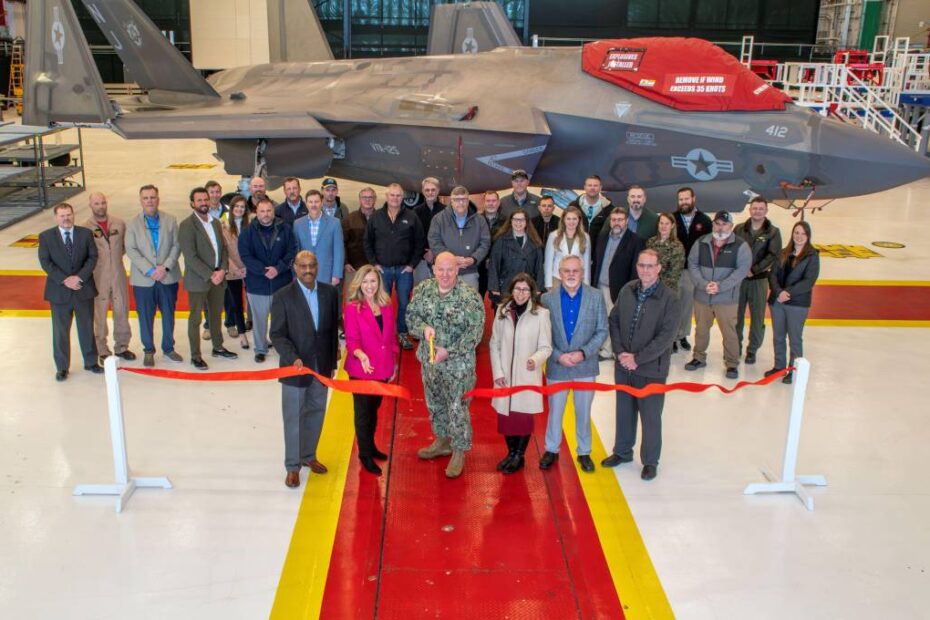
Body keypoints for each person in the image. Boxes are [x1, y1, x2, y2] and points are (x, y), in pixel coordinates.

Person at [405, 252, 485, 479]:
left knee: (457, 408)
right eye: (441, 269)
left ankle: (459, 450)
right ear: (433, 269)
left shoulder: (470, 297)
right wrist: (423, 329)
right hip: (430, 363)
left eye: (450, 269)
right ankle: (442, 441)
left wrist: (448, 351)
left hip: (458, 366)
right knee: (435, 403)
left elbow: (475, 333)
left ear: (458, 270)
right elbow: (411, 319)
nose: (445, 274)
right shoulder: (423, 290)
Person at [603, 249, 680, 481]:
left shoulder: (670, 299)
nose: (645, 270)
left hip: (651, 369)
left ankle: (650, 461)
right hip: (624, 365)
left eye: (650, 266)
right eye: (642, 265)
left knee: (651, 416)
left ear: (658, 268)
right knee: (624, 412)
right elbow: (614, 321)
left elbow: (666, 337)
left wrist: (637, 358)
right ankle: (623, 452)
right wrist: (620, 352)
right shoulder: (627, 290)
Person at [270, 251, 341, 488]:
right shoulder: (283, 296)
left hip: (321, 367)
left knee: (317, 411)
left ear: (317, 266)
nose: (308, 270)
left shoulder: (330, 293)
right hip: (295, 369)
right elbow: (277, 334)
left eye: (312, 265)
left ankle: (308, 455)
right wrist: (293, 358)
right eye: (303, 266)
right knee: (293, 417)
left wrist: (331, 363)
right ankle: (292, 466)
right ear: (295, 267)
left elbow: (331, 330)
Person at [539, 255, 608, 473]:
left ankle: (584, 451)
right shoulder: (547, 299)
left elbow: (602, 330)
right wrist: (558, 355)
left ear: (582, 272)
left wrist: (583, 353)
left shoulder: (596, 296)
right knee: (555, 411)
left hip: (585, 365)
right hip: (558, 364)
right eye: (566, 271)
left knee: (583, 410)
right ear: (559, 273)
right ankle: (551, 449)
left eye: (575, 271)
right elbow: (544, 334)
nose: (570, 275)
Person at [489, 274, 552, 474]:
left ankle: (519, 456)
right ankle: (511, 453)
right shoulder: (502, 311)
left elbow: (546, 346)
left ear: (532, 292)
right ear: (512, 290)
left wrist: (535, 359)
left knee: (523, 417)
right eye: (517, 289)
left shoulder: (541, 314)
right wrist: (497, 371)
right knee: (506, 417)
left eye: (525, 290)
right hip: (504, 377)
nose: (521, 293)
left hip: (526, 376)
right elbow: (494, 344)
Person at [344, 265, 399, 475]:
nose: (369, 286)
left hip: (382, 367)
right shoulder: (353, 308)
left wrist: (392, 362)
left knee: (374, 410)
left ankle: (371, 446)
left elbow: (391, 336)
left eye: (373, 281)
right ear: (359, 283)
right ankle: (364, 454)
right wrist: (361, 355)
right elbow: (352, 340)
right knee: (363, 413)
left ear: (379, 283)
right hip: (361, 369)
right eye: (365, 281)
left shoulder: (385, 305)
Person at [38, 203, 102, 380]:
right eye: (62, 215)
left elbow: (92, 257)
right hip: (59, 292)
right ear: (56, 218)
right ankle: (62, 367)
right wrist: (65, 280)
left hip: (83, 289)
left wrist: (78, 278)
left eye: (69, 215)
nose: (66, 218)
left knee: (86, 328)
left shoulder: (85, 234)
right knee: (60, 331)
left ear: (73, 215)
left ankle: (91, 362)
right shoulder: (46, 237)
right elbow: (45, 262)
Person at [684, 211, 751, 379]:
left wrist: (720, 286)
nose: (721, 227)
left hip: (727, 299)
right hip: (702, 296)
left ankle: (732, 364)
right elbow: (692, 264)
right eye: (718, 224)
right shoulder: (701, 242)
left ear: (731, 226)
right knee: (701, 329)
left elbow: (741, 271)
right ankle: (698, 357)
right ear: (713, 224)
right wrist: (703, 284)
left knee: (729, 332)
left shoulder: (740, 246)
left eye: (725, 224)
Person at [179, 186, 238, 370]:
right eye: (199, 200)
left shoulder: (214, 222)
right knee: (195, 319)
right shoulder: (187, 225)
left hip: (218, 278)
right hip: (199, 280)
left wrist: (222, 270)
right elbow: (190, 256)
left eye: (205, 199)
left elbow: (223, 249)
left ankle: (218, 347)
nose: (204, 203)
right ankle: (196, 356)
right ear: (192, 204)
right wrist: (210, 274)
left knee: (215, 315)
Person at [124, 185, 183, 368]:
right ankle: (148, 350)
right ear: (140, 201)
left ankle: (168, 348)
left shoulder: (171, 220)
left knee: (168, 314)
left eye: (152, 197)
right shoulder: (132, 224)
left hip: (167, 277)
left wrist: (164, 268)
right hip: (144, 280)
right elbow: (131, 250)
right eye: (146, 198)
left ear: (158, 199)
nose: (149, 201)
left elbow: (177, 245)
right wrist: (151, 271)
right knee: (145, 316)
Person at [364, 183, 426, 350]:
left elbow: (420, 242)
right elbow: (367, 242)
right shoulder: (376, 217)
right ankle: (381, 333)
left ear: (402, 197)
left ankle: (402, 333)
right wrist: (374, 263)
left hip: (403, 270)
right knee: (381, 303)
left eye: (398, 195)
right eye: (392, 195)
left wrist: (412, 265)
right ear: (386, 196)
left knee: (404, 302)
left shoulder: (412, 217)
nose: (395, 198)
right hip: (382, 269)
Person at [239, 197, 297, 363]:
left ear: (274, 212)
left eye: (269, 211)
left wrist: (278, 268)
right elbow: (246, 256)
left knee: (281, 319)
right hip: (257, 284)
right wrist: (263, 270)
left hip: (281, 283)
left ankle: (282, 347)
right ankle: (260, 348)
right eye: (262, 211)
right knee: (259, 320)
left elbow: (292, 251)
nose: (266, 214)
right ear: (256, 213)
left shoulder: (285, 229)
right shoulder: (247, 232)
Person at [83, 192, 135, 363]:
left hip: (118, 274)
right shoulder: (85, 228)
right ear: (90, 205)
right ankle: (102, 349)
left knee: (121, 310)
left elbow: (124, 247)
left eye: (103, 202)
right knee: (100, 314)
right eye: (97, 203)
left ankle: (122, 347)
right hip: (98, 276)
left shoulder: (119, 224)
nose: (101, 206)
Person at [765, 221, 820, 384]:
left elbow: (808, 281)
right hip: (778, 302)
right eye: (796, 232)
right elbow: (772, 275)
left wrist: (787, 293)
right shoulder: (783, 253)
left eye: (803, 233)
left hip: (797, 304)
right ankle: (779, 366)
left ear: (808, 236)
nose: (799, 236)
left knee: (795, 338)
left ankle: (793, 370)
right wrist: (778, 292)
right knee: (778, 336)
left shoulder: (812, 256)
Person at [734, 197, 782, 365]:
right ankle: (735, 347)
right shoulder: (739, 229)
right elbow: (732, 250)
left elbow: (773, 255)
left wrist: (753, 270)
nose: (757, 211)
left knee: (757, 317)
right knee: (736, 316)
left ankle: (752, 350)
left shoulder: (773, 232)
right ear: (750, 210)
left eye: (761, 209)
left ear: (766, 211)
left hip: (759, 281)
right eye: (754, 208)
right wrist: (741, 270)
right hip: (739, 281)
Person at [592, 206, 644, 359]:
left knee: (615, 321)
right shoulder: (602, 238)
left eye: (620, 220)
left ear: (626, 221)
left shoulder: (636, 241)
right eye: (614, 219)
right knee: (602, 319)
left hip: (619, 289)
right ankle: (606, 348)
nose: (616, 223)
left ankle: (610, 351)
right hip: (600, 286)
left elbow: (636, 269)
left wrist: (632, 290)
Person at [427, 185, 490, 291]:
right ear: (451, 201)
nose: (461, 203)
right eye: (457, 200)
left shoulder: (480, 220)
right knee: (445, 305)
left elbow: (485, 242)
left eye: (464, 199)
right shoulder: (438, 219)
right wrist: (450, 258)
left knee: (470, 306)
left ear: (468, 200)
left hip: (470, 272)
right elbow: (434, 241)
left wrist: (474, 258)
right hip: (446, 273)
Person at [673, 187, 712, 352]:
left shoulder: (704, 220)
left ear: (693, 199)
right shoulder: (672, 218)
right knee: (673, 305)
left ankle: (682, 336)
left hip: (693, 271)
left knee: (687, 305)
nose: (683, 202)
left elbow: (709, 245)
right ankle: (672, 337)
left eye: (686, 199)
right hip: (673, 270)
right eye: (680, 199)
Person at [487, 209, 544, 306]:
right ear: (511, 221)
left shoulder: (535, 241)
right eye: (515, 219)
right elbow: (494, 265)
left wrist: (539, 287)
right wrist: (494, 287)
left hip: (527, 288)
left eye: (522, 220)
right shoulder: (501, 240)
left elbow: (539, 267)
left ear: (526, 222)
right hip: (506, 287)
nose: (518, 222)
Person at [647, 212, 685, 349]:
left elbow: (674, 272)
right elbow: (646, 266)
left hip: (667, 290)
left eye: (667, 224)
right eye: (661, 223)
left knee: (666, 319)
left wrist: (657, 285)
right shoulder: (651, 242)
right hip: (649, 288)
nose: (663, 226)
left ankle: (670, 343)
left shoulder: (676, 246)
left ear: (672, 225)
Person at [293, 189, 344, 287]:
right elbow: (296, 250)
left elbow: (339, 251)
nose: (313, 205)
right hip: (304, 273)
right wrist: (296, 273)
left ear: (322, 202)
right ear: (306, 204)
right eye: (310, 202)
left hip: (327, 275)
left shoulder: (334, 223)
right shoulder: (298, 224)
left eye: (316, 201)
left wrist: (336, 274)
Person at [222, 195, 250, 349]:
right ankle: (242, 334)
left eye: (242, 207)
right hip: (233, 272)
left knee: (252, 301)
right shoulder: (223, 226)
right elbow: (223, 251)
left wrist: (248, 267)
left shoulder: (251, 224)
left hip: (249, 270)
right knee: (237, 303)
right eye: (236, 207)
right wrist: (234, 268)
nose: (239, 209)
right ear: (232, 209)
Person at [544, 206, 590, 289]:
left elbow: (586, 262)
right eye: (568, 219)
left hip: (577, 280)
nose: (571, 222)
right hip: (557, 278)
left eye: (574, 219)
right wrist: (548, 284)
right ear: (563, 220)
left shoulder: (585, 237)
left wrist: (586, 283)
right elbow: (548, 261)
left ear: (579, 220)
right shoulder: (554, 236)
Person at [412, 177, 445, 284]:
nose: (430, 192)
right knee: (421, 292)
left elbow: (448, 236)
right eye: (427, 190)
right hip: (421, 259)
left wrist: (434, 251)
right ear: (422, 191)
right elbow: (414, 236)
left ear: (438, 190)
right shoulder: (416, 211)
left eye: (433, 190)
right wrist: (424, 253)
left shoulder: (446, 211)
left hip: (441, 258)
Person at [342, 186, 376, 279]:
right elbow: (342, 243)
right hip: (354, 269)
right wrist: (346, 263)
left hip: (375, 268)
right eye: (364, 197)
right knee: (354, 293)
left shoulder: (381, 218)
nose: (367, 200)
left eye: (370, 197)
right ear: (360, 200)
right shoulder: (350, 219)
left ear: (375, 200)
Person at [477, 190, 506, 301]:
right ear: (484, 203)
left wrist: (493, 259)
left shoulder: (506, 222)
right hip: (479, 267)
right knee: (477, 300)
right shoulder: (476, 220)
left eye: (493, 201)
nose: (491, 203)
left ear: (498, 203)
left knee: (498, 302)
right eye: (488, 201)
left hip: (499, 268)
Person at [568, 174, 614, 243]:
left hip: (598, 251)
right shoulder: (573, 206)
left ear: (600, 187)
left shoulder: (609, 209)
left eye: (595, 185)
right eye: (589, 185)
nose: (592, 188)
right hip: (576, 250)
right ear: (585, 187)